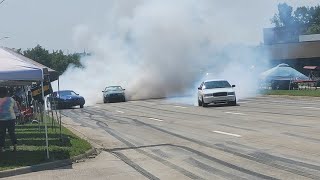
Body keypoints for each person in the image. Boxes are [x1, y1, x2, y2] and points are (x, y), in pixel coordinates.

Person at [0, 87, 18, 152]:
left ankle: (1, 148)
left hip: (1, 119)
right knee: (12, 133)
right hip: (11, 118)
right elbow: (15, 108)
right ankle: (15, 147)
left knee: (2, 134)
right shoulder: (11, 99)